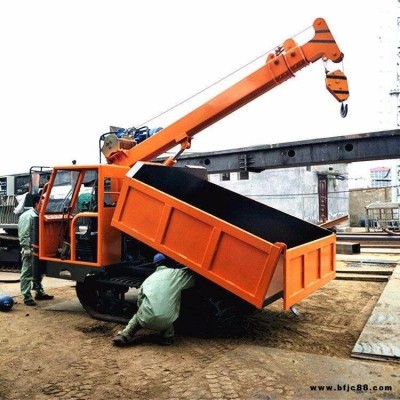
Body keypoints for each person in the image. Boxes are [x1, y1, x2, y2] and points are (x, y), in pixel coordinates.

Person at [112, 253, 195, 347]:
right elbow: (192, 278)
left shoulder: (148, 280)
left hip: (146, 319)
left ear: (155, 265)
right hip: (166, 321)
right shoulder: (176, 274)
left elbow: (140, 301)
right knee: (168, 311)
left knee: (137, 317)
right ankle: (168, 338)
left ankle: (124, 335)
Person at [18, 193, 54, 306]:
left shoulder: (40, 215)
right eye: (42, 203)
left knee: (39, 271)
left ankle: (39, 292)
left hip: (40, 250)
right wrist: (26, 248)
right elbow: (24, 234)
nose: (44, 206)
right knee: (27, 272)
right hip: (31, 250)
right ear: (36, 204)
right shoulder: (27, 216)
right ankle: (26, 296)